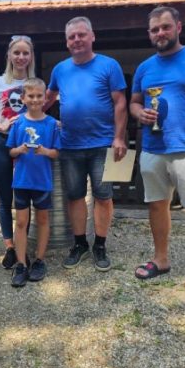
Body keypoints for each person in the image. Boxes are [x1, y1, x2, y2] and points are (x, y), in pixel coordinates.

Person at [44, 16, 127, 272]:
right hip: (69, 145)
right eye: (72, 37)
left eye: (81, 34)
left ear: (92, 36)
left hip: (103, 145)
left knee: (103, 197)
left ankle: (100, 244)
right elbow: (47, 99)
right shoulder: (60, 70)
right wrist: (25, 119)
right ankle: (79, 243)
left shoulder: (109, 65)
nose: (77, 40)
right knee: (75, 196)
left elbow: (120, 102)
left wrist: (119, 137)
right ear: (67, 42)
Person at [130, 6, 185, 280]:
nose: (160, 33)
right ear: (149, 34)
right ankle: (161, 259)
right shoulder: (145, 67)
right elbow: (134, 102)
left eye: (166, 27)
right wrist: (139, 113)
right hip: (153, 147)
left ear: (178, 27)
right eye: (155, 29)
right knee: (157, 204)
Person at [0, 36, 35, 269]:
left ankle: (23, 246)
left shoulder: (35, 83)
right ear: (9, 56)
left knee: (25, 199)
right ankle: (10, 248)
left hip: (28, 147)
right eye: (17, 53)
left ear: (31, 56)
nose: (21, 57)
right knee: (5, 199)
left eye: (25, 53)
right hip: (3, 142)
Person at [5, 78, 60, 287]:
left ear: (45, 97)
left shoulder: (52, 124)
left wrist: (45, 151)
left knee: (43, 221)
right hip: (21, 181)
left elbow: (56, 153)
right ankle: (21, 264)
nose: (35, 100)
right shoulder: (18, 122)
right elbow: (10, 149)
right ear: (23, 98)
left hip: (42, 182)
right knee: (20, 223)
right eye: (31, 96)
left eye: (39, 96)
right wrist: (18, 150)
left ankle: (39, 260)